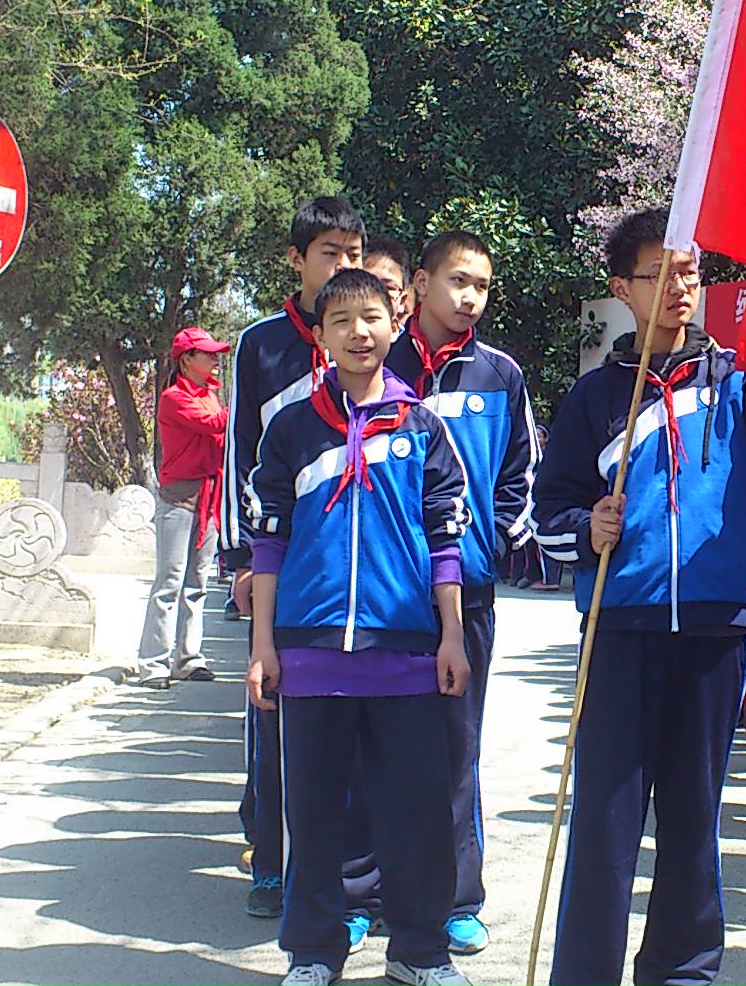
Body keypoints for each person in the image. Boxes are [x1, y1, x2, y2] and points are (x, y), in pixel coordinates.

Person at [534, 208, 746, 986]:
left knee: (693, 818)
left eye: (691, 271)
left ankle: (683, 970)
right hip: (621, 623)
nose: (680, 287)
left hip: (714, 627)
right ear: (621, 291)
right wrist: (586, 526)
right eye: (660, 273)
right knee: (606, 818)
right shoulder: (596, 398)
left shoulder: (739, 381)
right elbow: (549, 512)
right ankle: (586, 970)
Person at [246, 268, 475, 986]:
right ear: (319, 335)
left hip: (406, 658)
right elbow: (269, 544)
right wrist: (263, 648)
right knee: (313, 823)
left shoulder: (422, 426)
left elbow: (446, 540)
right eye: (340, 321)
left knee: (417, 818)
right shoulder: (290, 428)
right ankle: (313, 954)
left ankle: (420, 953)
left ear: (396, 322)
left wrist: (452, 637)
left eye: (371, 317)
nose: (358, 333)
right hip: (310, 660)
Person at [384, 230, 537, 956]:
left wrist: (492, 540)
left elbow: (522, 475)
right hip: (384, 592)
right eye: (456, 280)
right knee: (373, 748)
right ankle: (370, 893)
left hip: (465, 596)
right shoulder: (377, 361)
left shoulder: (501, 375)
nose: (469, 296)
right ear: (420, 283)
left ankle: (457, 898)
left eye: (481, 284)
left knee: (456, 748)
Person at [222, 195, 367, 918]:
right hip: (280, 562)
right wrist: (241, 562)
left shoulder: (375, 338)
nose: (343, 266)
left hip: (359, 570)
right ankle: (270, 862)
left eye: (353, 252)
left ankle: (345, 875)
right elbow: (238, 454)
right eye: (329, 253)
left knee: (353, 728)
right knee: (271, 714)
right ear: (297, 259)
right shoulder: (261, 345)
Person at [135, 326, 232, 688]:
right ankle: (154, 664)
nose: (214, 359)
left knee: (197, 583)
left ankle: (188, 659)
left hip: (208, 498)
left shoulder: (210, 394)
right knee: (170, 583)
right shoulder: (174, 397)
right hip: (179, 500)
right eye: (207, 354)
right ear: (187, 359)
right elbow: (214, 424)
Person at [364, 235, 415, 334]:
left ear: (402, 301)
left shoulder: (414, 347)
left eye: (388, 287)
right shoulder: (332, 341)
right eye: (368, 283)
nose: (376, 293)